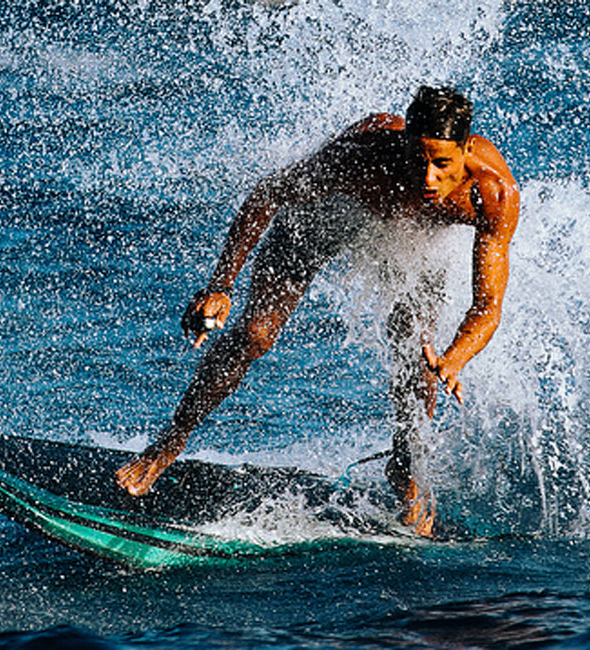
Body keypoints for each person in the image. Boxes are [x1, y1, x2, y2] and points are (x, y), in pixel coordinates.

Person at [113, 86, 520, 537]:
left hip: (407, 244)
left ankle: (406, 475)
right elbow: (268, 195)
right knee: (254, 334)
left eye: (442, 164)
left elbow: (487, 306)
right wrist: (221, 285)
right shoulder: (363, 159)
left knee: (418, 356)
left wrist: (455, 358)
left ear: (465, 151)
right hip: (329, 215)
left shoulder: (492, 194)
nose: (427, 178)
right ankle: (167, 446)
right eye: (417, 159)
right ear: (403, 143)